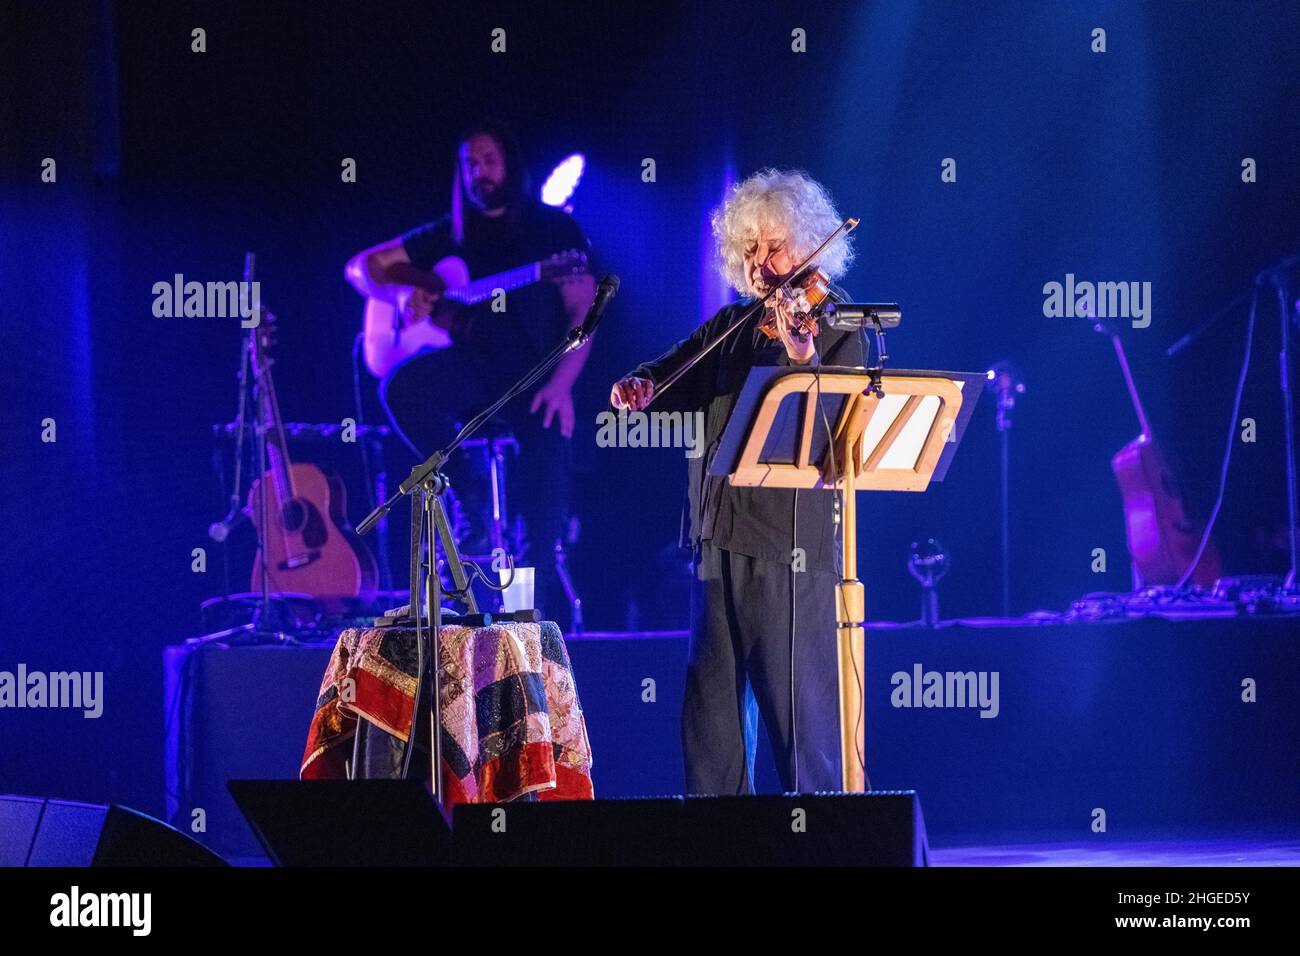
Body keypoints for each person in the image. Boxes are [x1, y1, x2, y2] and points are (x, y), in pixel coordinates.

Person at [611, 169, 869, 794]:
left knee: (794, 711)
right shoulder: (727, 327)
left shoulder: (838, 327)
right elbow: (666, 374)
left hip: (787, 543)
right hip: (713, 538)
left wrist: (800, 352)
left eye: (774, 246)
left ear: (809, 243)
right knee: (713, 713)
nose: (760, 262)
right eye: (749, 249)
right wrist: (641, 385)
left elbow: (832, 425)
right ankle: (719, 836)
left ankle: (818, 835)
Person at [345, 123, 595, 620]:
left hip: (537, 375)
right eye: (470, 164)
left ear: (509, 164)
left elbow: (584, 313)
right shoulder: (448, 233)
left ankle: (532, 621)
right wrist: (403, 292)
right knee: (402, 387)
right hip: (476, 368)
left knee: (543, 499)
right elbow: (361, 268)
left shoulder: (552, 231)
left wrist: (563, 385)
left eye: (489, 160)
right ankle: (467, 484)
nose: (480, 171)